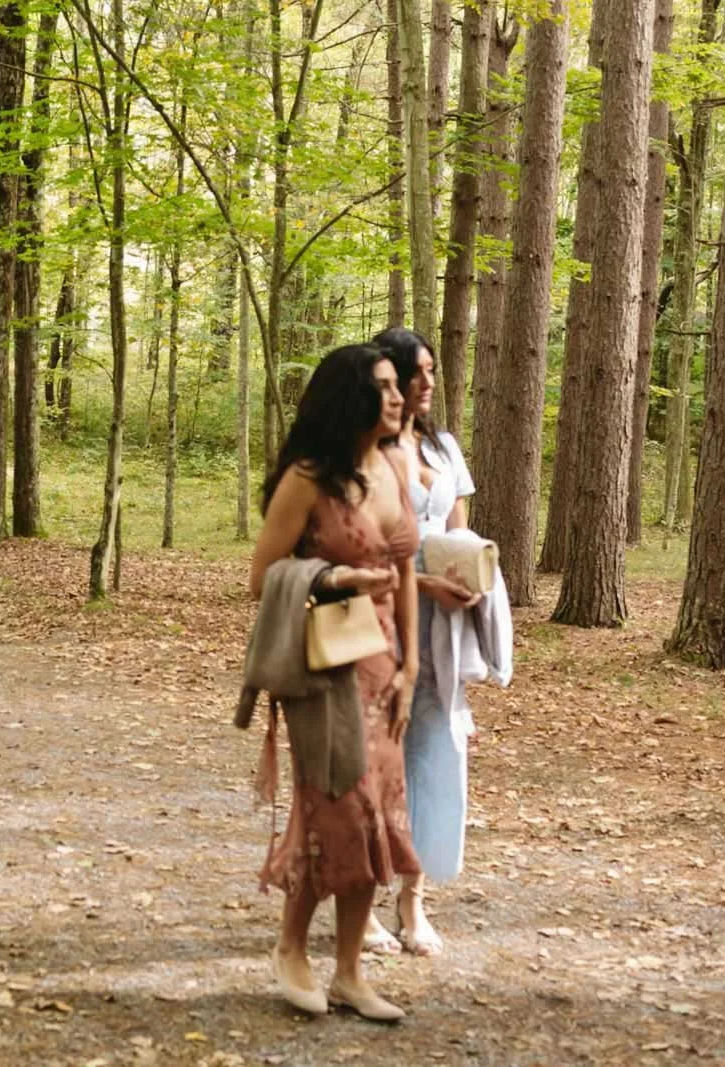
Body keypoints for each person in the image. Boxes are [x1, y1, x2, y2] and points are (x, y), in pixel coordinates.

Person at [248, 343, 419, 1021]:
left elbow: (406, 570)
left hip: (384, 668)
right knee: (333, 811)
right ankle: (292, 947)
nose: (399, 396)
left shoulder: (392, 465)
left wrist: (411, 665)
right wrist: (333, 577)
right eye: (383, 387)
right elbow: (262, 576)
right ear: (350, 396)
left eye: (397, 385)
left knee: (377, 814)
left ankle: (349, 970)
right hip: (322, 668)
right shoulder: (308, 477)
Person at [365, 327, 486, 957]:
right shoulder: (364, 450)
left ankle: (414, 899)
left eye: (432, 371)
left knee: (438, 759)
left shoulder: (445, 447)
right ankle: (361, 901)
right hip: (380, 620)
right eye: (417, 373)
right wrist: (423, 583)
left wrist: (470, 580)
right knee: (376, 761)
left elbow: (456, 535)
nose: (429, 383)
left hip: (441, 632)